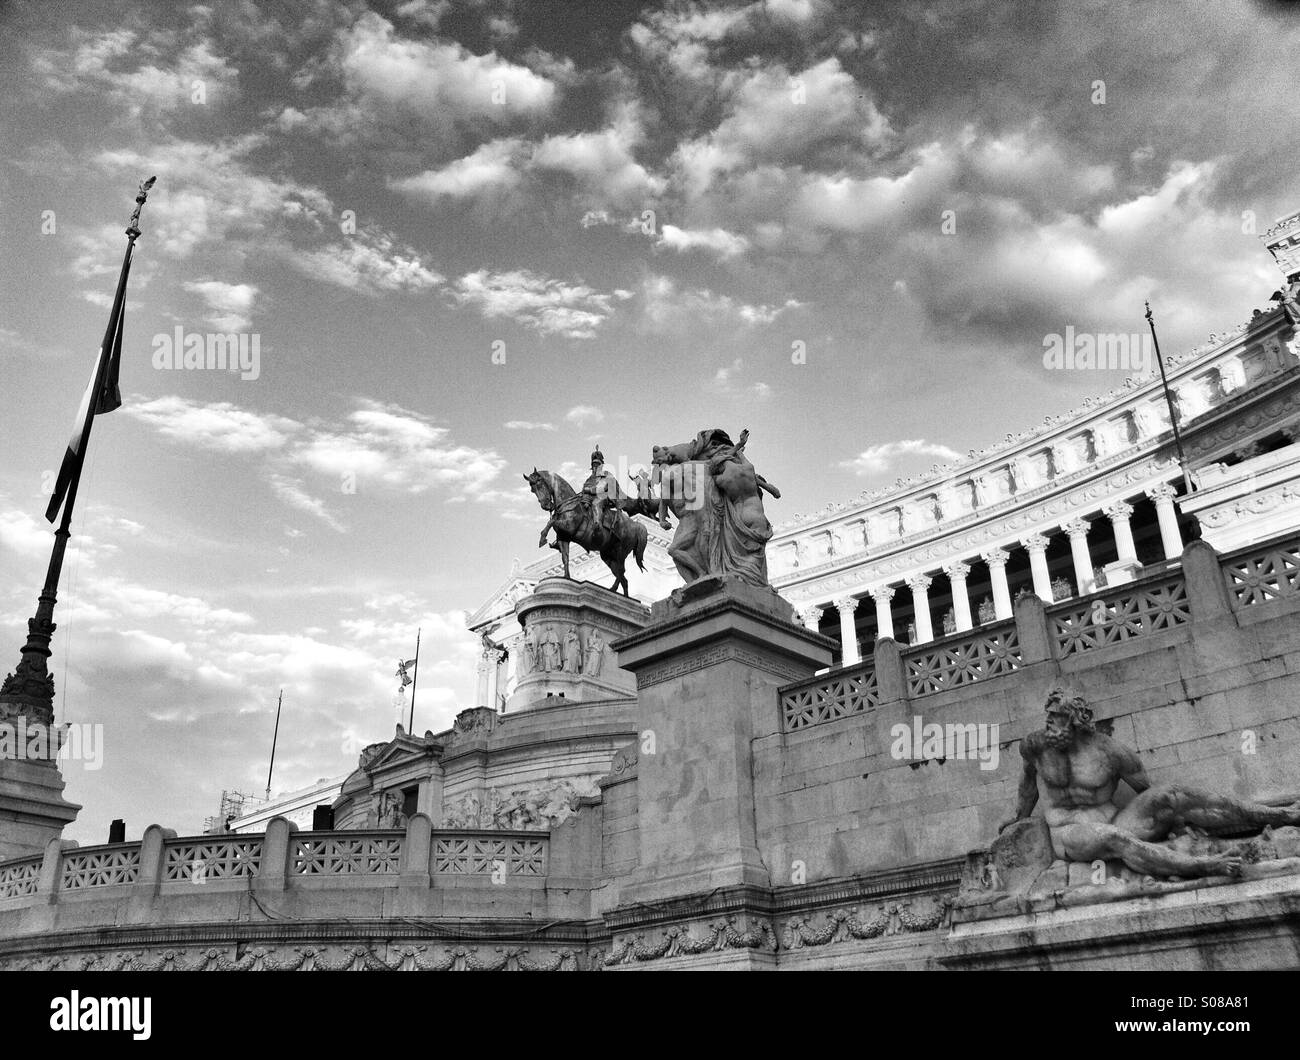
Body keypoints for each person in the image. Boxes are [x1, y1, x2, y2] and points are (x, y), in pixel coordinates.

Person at [1001, 687, 1300, 878]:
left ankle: (1282, 815)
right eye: (1049, 717)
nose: (1049, 723)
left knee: (1171, 794)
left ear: (1076, 720)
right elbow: (1027, 785)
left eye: (1057, 717)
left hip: (1118, 820)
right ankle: (1207, 867)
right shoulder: (1035, 747)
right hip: (1068, 834)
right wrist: (1019, 818)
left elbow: (1147, 792)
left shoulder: (1110, 752)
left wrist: (1172, 819)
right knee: (1112, 838)